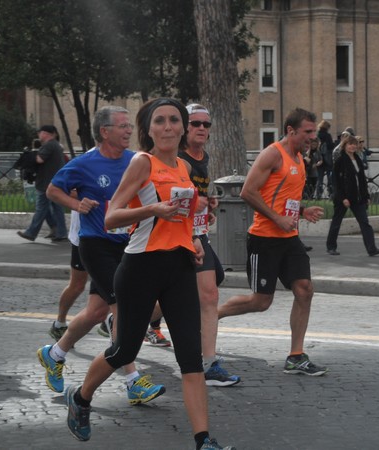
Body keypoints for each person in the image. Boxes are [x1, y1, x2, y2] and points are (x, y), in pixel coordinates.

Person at [64, 98, 234, 450]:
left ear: (184, 127)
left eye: (175, 120)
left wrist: (193, 241)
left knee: (191, 360)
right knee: (124, 350)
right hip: (141, 267)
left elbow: (181, 220)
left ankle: (204, 441)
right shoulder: (143, 163)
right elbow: (113, 218)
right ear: (150, 129)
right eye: (160, 121)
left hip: (180, 267)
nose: (169, 126)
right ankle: (80, 398)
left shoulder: (185, 169)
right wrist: (153, 209)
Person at [37, 106, 165, 407]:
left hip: (126, 243)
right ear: (104, 131)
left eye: (128, 126)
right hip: (95, 244)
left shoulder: (135, 161)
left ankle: (54, 353)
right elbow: (52, 190)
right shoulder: (84, 164)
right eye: (122, 126)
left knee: (96, 311)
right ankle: (133, 381)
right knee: (122, 304)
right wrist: (75, 203)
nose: (128, 131)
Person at [218, 107, 327, 377]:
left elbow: (282, 197)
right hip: (264, 239)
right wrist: (277, 218)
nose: (312, 137)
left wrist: (302, 211)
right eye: (308, 132)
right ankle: (211, 315)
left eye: (313, 132)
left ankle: (296, 356)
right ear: (291, 131)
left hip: (289, 239)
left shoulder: (300, 158)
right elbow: (248, 192)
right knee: (261, 301)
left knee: (305, 289)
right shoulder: (272, 154)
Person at [177, 102, 240, 387]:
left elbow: (196, 199)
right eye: (196, 124)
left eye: (206, 124)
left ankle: (131, 319)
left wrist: (207, 206)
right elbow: (173, 200)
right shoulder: (180, 160)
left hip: (198, 232)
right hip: (179, 235)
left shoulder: (202, 157)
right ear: (184, 127)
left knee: (210, 287)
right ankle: (209, 363)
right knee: (209, 295)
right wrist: (195, 203)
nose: (202, 128)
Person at [326, 134, 379, 257]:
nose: (352, 146)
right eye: (349, 144)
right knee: (337, 222)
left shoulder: (357, 159)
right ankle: (331, 246)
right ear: (344, 145)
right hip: (344, 198)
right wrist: (343, 198)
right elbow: (337, 181)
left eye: (354, 144)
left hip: (358, 197)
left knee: (365, 223)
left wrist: (366, 196)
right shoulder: (340, 160)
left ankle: (371, 248)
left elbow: (362, 179)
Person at [17, 125, 67, 242]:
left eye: (40, 133)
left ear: (45, 133)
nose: (39, 135)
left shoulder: (49, 145)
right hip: (54, 182)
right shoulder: (55, 145)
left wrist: (29, 155)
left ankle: (31, 233)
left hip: (46, 183)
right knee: (54, 208)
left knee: (41, 208)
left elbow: (40, 159)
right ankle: (59, 231)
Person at [48, 210, 89, 340]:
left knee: (113, 283)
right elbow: (63, 192)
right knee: (77, 285)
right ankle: (59, 323)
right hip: (84, 235)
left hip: (114, 234)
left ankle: (111, 322)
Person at [316, 119, 334, 198]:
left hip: (319, 159)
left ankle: (318, 194)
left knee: (319, 179)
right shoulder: (327, 135)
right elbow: (330, 146)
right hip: (327, 160)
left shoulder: (317, 135)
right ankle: (330, 193)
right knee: (330, 178)